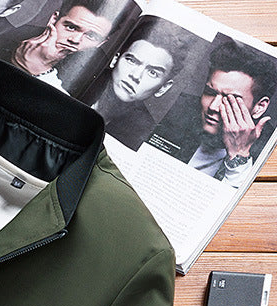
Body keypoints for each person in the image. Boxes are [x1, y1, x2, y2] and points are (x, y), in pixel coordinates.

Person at [152, 39, 277, 187]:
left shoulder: (269, 154)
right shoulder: (180, 110)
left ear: (259, 107)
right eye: (210, 92)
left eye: (230, 99)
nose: (213, 107)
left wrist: (239, 155)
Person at [85, 20, 186, 150]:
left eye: (152, 72)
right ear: (115, 59)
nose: (136, 76)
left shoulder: (143, 132)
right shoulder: (78, 82)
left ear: (163, 88)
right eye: (131, 61)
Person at [0, 0, 119, 89]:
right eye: (71, 27)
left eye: (91, 36)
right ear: (54, 19)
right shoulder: (10, 37)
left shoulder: (100, 71)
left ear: (102, 43)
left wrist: (37, 71)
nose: (75, 40)